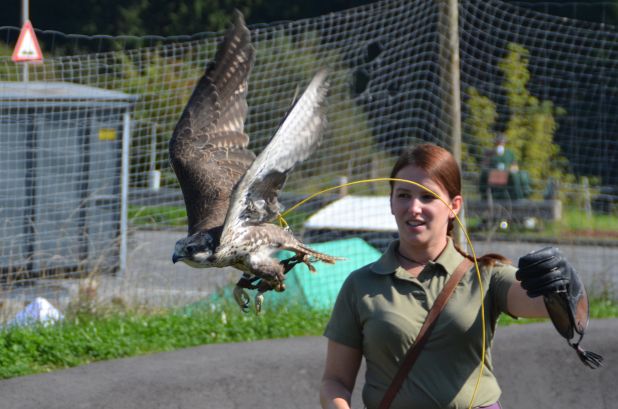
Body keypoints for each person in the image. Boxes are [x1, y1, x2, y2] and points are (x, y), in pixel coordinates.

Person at [319, 143, 584, 409]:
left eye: (427, 197)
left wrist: (567, 285)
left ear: (454, 205)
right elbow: (335, 380)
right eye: (403, 195)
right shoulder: (360, 284)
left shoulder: (487, 276)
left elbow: (568, 313)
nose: (413, 207)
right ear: (390, 202)